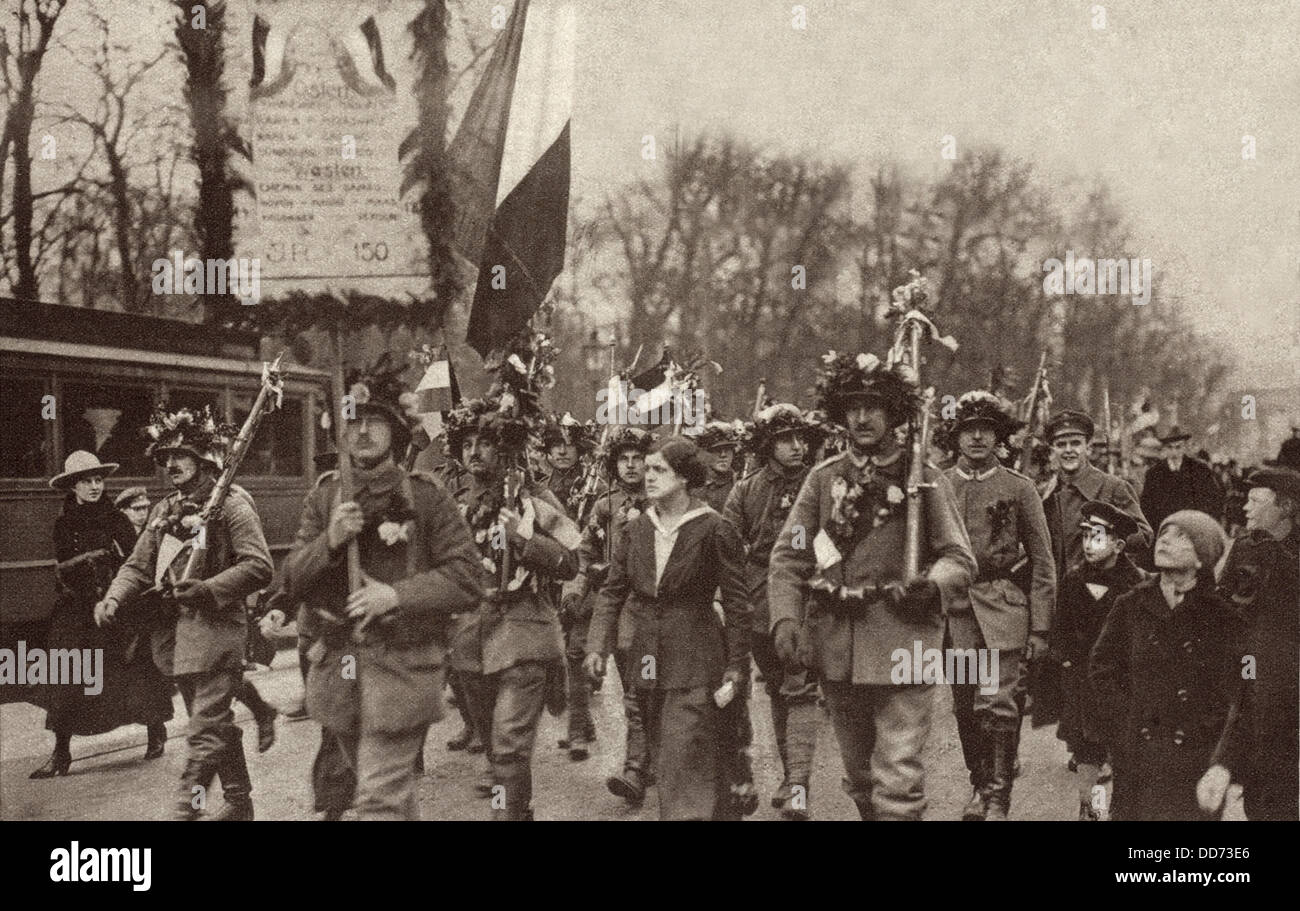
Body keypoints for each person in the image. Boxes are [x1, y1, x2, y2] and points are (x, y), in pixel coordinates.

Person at [767, 351, 976, 820]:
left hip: (906, 642)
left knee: (898, 778)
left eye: (874, 407)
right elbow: (791, 556)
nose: (862, 418)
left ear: (894, 414)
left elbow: (959, 558)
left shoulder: (924, 480)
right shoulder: (823, 481)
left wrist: (933, 585)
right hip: (839, 646)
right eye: (853, 408)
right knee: (860, 777)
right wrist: (784, 617)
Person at [280, 368, 482, 820]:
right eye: (353, 420)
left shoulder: (427, 497)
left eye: (376, 421)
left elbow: (468, 577)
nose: (363, 430)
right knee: (389, 795)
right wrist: (329, 541)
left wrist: (396, 595)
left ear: (396, 431)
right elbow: (291, 580)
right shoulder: (326, 496)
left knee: (377, 799)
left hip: (404, 667)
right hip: (339, 672)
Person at [96, 408, 274, 820]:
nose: (171, 464)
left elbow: (259, 566)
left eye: (182, 455)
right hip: (174, 638)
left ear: (205, 460)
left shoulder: (230, 506)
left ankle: (184, 812)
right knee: (209, 721)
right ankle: (239, 799)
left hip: (215, 633)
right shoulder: (164, 510)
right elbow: (138, 565)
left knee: (204, 732)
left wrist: (209, 589)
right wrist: (114, 597)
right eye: (166, 457)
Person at [584, 437, 751, 819]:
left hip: (696, 661)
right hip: (647, 664)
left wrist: (737, 665)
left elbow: (739, 605)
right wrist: (597, 646)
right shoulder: (636, 529)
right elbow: (612, 592)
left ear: (685, 477)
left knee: (680, 758)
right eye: (648, 469)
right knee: (669, 754)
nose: (648, 476)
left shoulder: (713, 528)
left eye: (659, 469)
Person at [445, 390, 582, 820]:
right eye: (466, 444)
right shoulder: (456, 505)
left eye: (484, 443)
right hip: (470, 638)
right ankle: (518, 810)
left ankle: (507, 816)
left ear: (504, 447)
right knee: (492, 744)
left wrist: (524, 540)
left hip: (524, 632)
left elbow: (571, 560)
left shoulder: (533, 499)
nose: (474, 452)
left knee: (508, 744)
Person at [939, 391, 1056, 820]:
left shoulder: (1019, 488)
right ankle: (978, 783)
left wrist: (1041, 628)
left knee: (1000, 702)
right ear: (956, 438)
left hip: (1003, 607)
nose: (976, 439)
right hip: (954, 612)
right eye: (968, 431)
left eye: (986, 430)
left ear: (999, 437)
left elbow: (1044, 561)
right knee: (966, 703)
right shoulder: (939, 487)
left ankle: (998, 798)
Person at [29, 453, 173, 779]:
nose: (94, 486)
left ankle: (155, 729)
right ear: (73, 486)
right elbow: (64, 568)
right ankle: (61, 753)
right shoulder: (63, 523)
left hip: (115, 604)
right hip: (78, 607)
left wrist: (112, 596)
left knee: (134, 667)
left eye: (98, 480)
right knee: (66, 672)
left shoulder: (115, 518)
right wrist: (83, 588)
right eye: (86, 481)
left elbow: (136, 562)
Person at [1089, 510, 1239, 820]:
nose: (1165, 541)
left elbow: (1235, 688)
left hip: (1195, 756)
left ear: (1202, 557)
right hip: (1138, 753)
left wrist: (1212, 741)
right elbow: (1101, 670)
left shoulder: (1221, 616)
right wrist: (1124, 723)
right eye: (1164, 533)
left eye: (1181, 536)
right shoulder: (1130, 605)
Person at [722, 402, 824, 819]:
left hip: (809, 594)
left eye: (801, 439)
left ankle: (798, 783)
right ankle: (790, 775)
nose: (796, 447)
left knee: (799, 687)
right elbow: (727, 547)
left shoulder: (819, 484)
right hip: (758, 600)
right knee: (780, 691)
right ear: (767, 445)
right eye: (785, 440)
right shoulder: (746, 490)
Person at [1199, 466, 1300, 820]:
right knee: (1260, 776)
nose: (1246, 508)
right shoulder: (1244, 545)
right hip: (1248, 671)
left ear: (1285, 507)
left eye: (1256, 501)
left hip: (1290, 679)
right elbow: (1222, 602)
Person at [564, 426, 655, 800]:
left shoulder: (662, 498)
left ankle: (652, 757)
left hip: (661, 606)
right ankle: (636, 767)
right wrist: (574, 590)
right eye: (624, 459)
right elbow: (585, 554)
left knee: (655, 688)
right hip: (621, 609)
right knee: (636, 689)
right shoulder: (605, 505)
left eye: (638, 459)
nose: (631, 466)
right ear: (614, 464)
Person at [1053, 501, 1147, 820]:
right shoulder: (1073, 580)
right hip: (1083, 680)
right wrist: (1064, 661)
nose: (1089, 546)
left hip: (1122, 681)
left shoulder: (1136, 586)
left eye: (1098, 538)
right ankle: (1092, 808)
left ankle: (1122, 808)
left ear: (1119, 545)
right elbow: (1062, 629)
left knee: (1123, 747)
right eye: (1085, 537)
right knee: (1087, 748)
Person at [542, 412, 600, 760]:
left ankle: (577, 728)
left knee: (576, 650)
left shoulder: (594, 483)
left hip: (584, 574)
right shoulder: (538, 487)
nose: (562, 452)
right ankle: (583, 719)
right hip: (549, 573)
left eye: (568, 446)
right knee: (558, 652)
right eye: (555, 447)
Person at [1042, 410, 1152, 581]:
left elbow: (1144, 535)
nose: (1068, 450)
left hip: (1104, 588)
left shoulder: (1113, 487)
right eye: (1061, 444)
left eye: (1076, 443)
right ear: (1052, 450)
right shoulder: (1045, 493)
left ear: (1088, 447)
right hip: (1060, 593)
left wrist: (1109, 535)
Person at [1139, 426, 1224, 541]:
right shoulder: (1154, 473)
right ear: (1165, 449)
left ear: (1184, 447)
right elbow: (1147, 507)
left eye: (1178, 447)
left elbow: (1213, 501)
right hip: (1164, 534)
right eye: (1170, 447)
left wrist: (1203, 528)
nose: (1174, 452)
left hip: (1193, 533)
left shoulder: (1199, 470)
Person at [692, 419, 744, 512]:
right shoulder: (693, 484)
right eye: (717, 450)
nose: (723, 455)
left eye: (728, 449)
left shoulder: (740, 486)